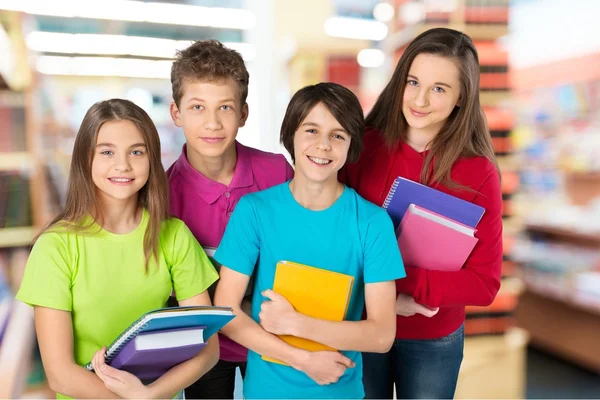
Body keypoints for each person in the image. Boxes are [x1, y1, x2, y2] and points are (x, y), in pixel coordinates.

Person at [16, 99, 220, 399]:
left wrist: (150, 395)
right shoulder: (55, 247)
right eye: (107, 152)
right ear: (86, 159)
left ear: (152, 159)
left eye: (136, 152)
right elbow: (60, 375)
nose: (122, 165)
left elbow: (208, 349)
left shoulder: (174, 236)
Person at [213, 82, 405, 399]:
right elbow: (227, 312)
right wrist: (303, 360)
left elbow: (382, 334)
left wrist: (296, 324)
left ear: (351, 146)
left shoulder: (372, 224)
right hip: (266, 391)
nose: (323, 145)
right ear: (291, 134)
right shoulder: (254, 212)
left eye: (338, 135)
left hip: (339, 390)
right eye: (311, 130)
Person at [340, 27, 503, 399]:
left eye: (440, 89)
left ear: (463, 97)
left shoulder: (478, 172)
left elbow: (485, 283)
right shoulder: (363, 146)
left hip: (433, 337)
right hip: (361, 323)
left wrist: (404, 286)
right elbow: (335, 240)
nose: (420, 100)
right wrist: (385, 296)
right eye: (413, 82)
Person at [166, 40, 294, 399]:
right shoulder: (162, 194)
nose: (212, 122)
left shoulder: (278, 172)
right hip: (203, 348)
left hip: (273, 336)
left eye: (224, 107)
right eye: (197, 107)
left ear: (243, 113)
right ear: (176, 113)